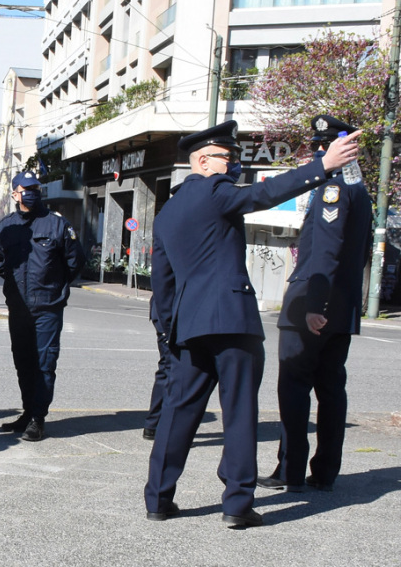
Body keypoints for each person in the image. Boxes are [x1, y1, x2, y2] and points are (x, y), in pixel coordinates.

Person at [145, 120, 361, 527]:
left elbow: (163, 281)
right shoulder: (214, 190)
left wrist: (170, 329)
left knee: (178, 412)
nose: (235, 165)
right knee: (240, 412)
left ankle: (158, 497)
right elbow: (265, 194)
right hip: (233, 322)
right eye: (228, 157)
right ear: (203, 160)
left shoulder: (168, 211)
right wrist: (323, 165)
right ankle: (237, 505)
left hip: (189, 327)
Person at [258, 115, 373, 494]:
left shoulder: (332, 189)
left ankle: (289, 471)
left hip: (314, 302)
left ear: (328, 149)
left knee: (293, 386)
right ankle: (325, 472)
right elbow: (362, 253)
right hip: (343, 308)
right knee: (331, 390)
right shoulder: (361, 191)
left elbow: (324, 251)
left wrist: (314, 304)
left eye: (317, 148)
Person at [0, 171, 85, 441]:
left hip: (47, 306)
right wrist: (14, 285)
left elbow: (74, 261)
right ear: (15, 194)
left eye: (36, 188)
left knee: (45, 363)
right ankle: (27, 411)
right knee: (23, 361)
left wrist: (55, 286)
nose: (32, 192)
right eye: (26, 188)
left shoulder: (56, 224)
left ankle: (38, 418)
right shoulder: (7, 226)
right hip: (18, 307)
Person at [142, 296, 173, 441]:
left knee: (168, 369)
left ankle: (154, 425)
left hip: (168, 313)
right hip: (169, 314)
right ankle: (158, 426)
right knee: (170, 370)